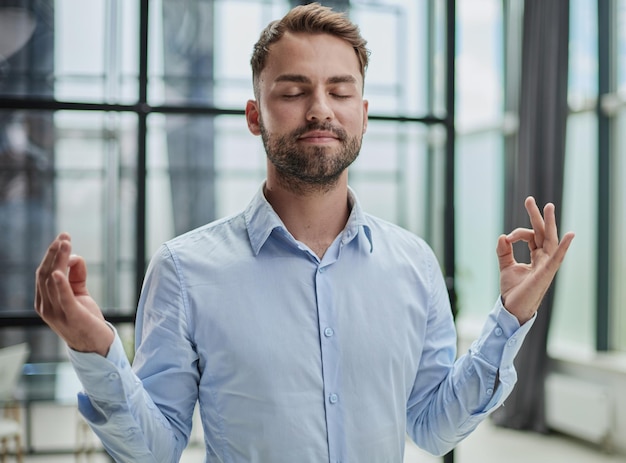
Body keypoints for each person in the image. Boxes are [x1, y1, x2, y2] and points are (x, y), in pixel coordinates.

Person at [34, 3, 575, 462]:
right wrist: (94, 348)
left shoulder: (414, 264)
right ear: (255, 115)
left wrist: (510, 318)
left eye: (340, 91)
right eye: (294, 91)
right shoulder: (184, 270)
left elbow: (433, 427)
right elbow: (156, 449)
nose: (320, 109)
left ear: (362, 114)